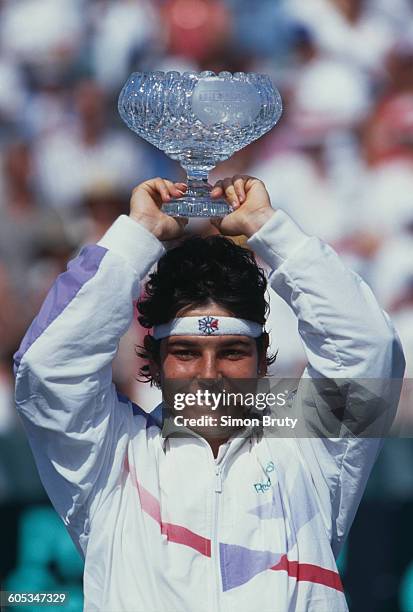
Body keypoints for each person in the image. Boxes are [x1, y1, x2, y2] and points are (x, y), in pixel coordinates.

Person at [14, 175, 404, 611]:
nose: (209, 373)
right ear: (157, 364)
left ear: (262, 361)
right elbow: (47, 368)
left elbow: (369, 349)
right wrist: (137, 237)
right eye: (186, 352)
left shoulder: (309, 452)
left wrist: (268, 228)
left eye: (232, 352)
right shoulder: (111, 461)